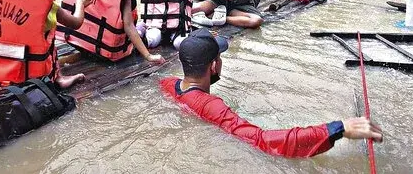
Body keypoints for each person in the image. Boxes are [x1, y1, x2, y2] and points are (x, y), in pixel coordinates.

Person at [160, 28, 383, 158]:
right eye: (219, 58)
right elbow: (263, 141)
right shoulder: (212, 106)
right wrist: (337, 128)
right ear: (213, 66)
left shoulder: (168, 85)